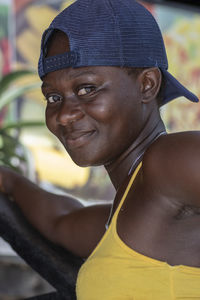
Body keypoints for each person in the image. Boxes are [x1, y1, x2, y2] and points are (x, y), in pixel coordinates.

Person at [1, 0, 200, 298]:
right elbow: (60, 220)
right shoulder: (121, 217)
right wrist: (9, 179)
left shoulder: (170, 160)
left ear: (147, 85)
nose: (65, 114)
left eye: (87, 89)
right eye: (54, 97)